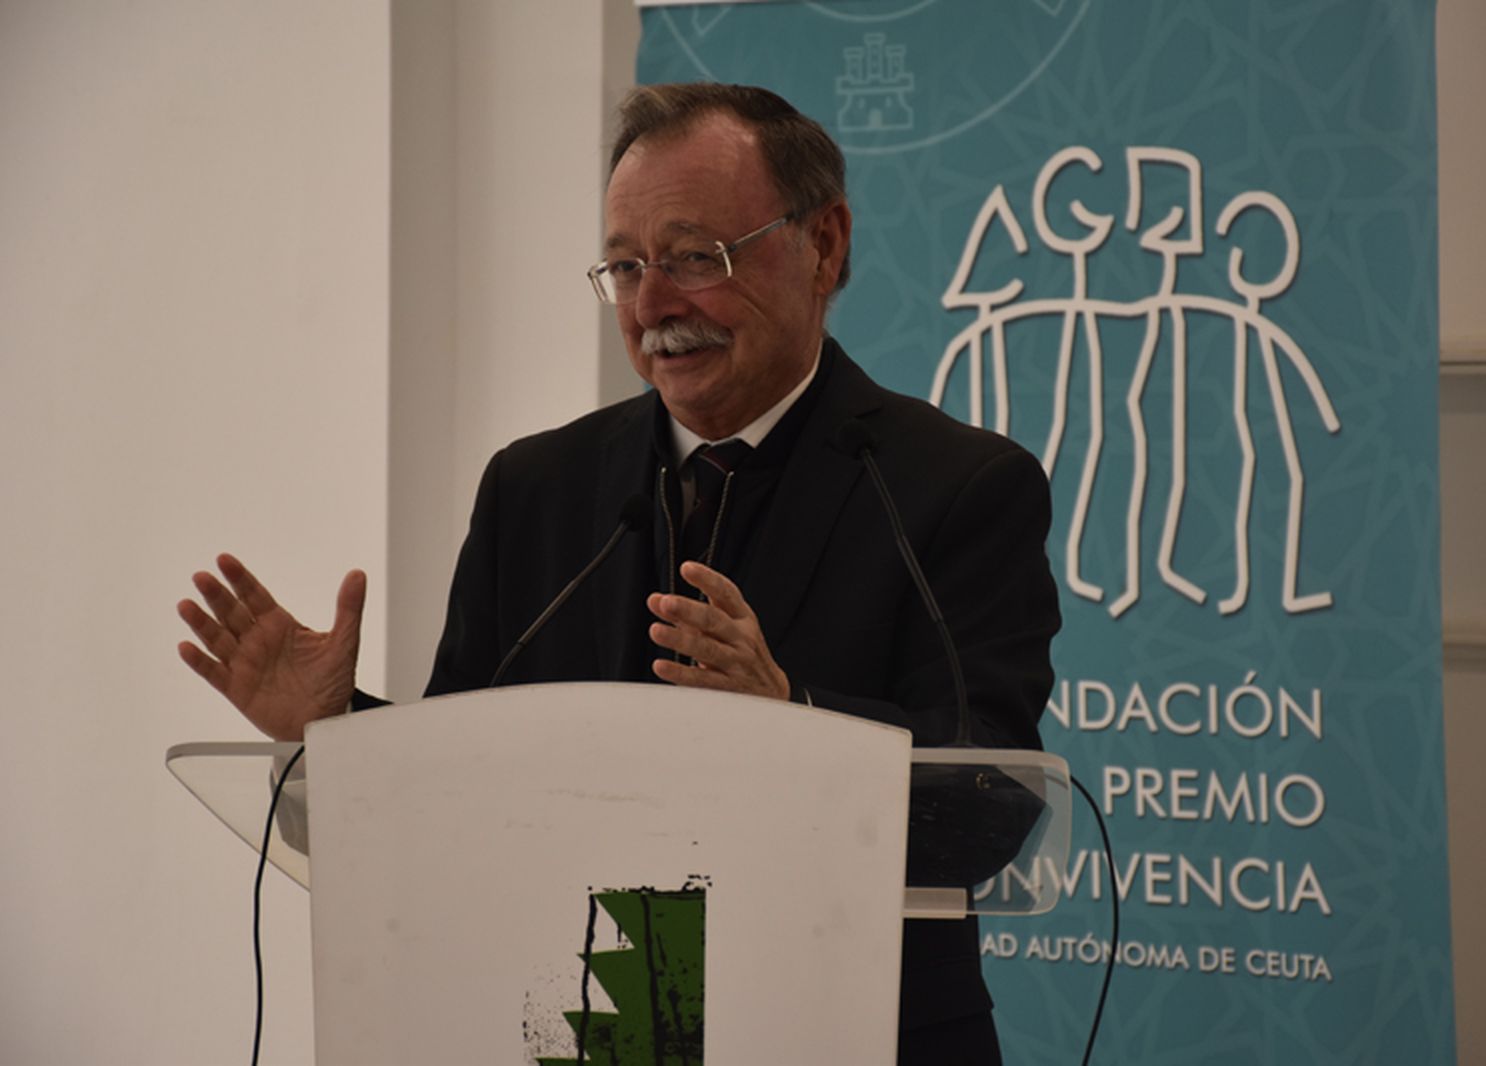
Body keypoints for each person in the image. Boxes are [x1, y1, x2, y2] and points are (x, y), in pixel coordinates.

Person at [178, 82, 1059, 1065]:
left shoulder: (956, 487)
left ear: (823, 245)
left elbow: (988, 801)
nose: (653, 306)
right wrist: (336, 729)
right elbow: (464, 781)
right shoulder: (538, 487)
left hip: (855, 1031)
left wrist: (795, 714)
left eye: (696, 258)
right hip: (574, 1024)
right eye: (625, 266)